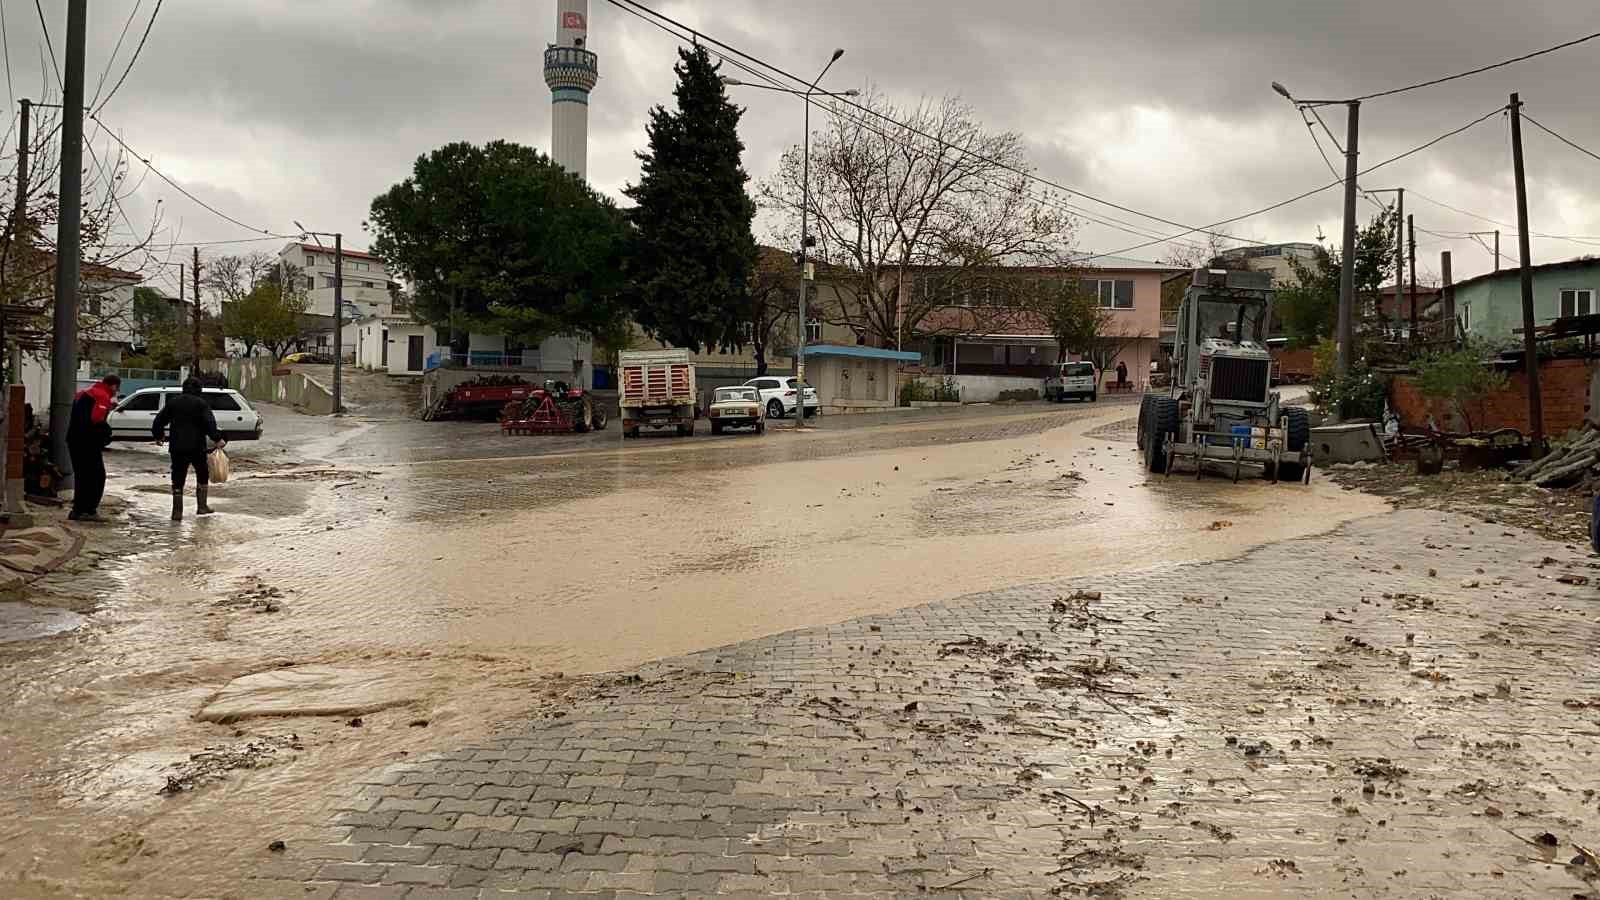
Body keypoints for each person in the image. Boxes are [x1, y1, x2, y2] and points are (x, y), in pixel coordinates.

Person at [153, 378, 225, 521]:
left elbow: (159, 420)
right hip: (197, 446)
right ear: (199, 389)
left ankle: (177, 512)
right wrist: (217, 438)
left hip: (177, 446)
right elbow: (209, 423)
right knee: (202, 473)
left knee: (178, 475)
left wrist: (158, 435)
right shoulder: (201, 404)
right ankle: (202, 506)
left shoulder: (173, 402)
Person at [66, 374, 120, 521]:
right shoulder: (102, 395)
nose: (116, 392)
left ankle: (77, 510)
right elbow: (97, 420)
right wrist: (107, 434)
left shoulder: (84, 393)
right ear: (113, 386)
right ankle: (89, 511)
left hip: (74, 440)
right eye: (117, 389)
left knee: (81, 476)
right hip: (88, 442)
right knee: (97, 476)